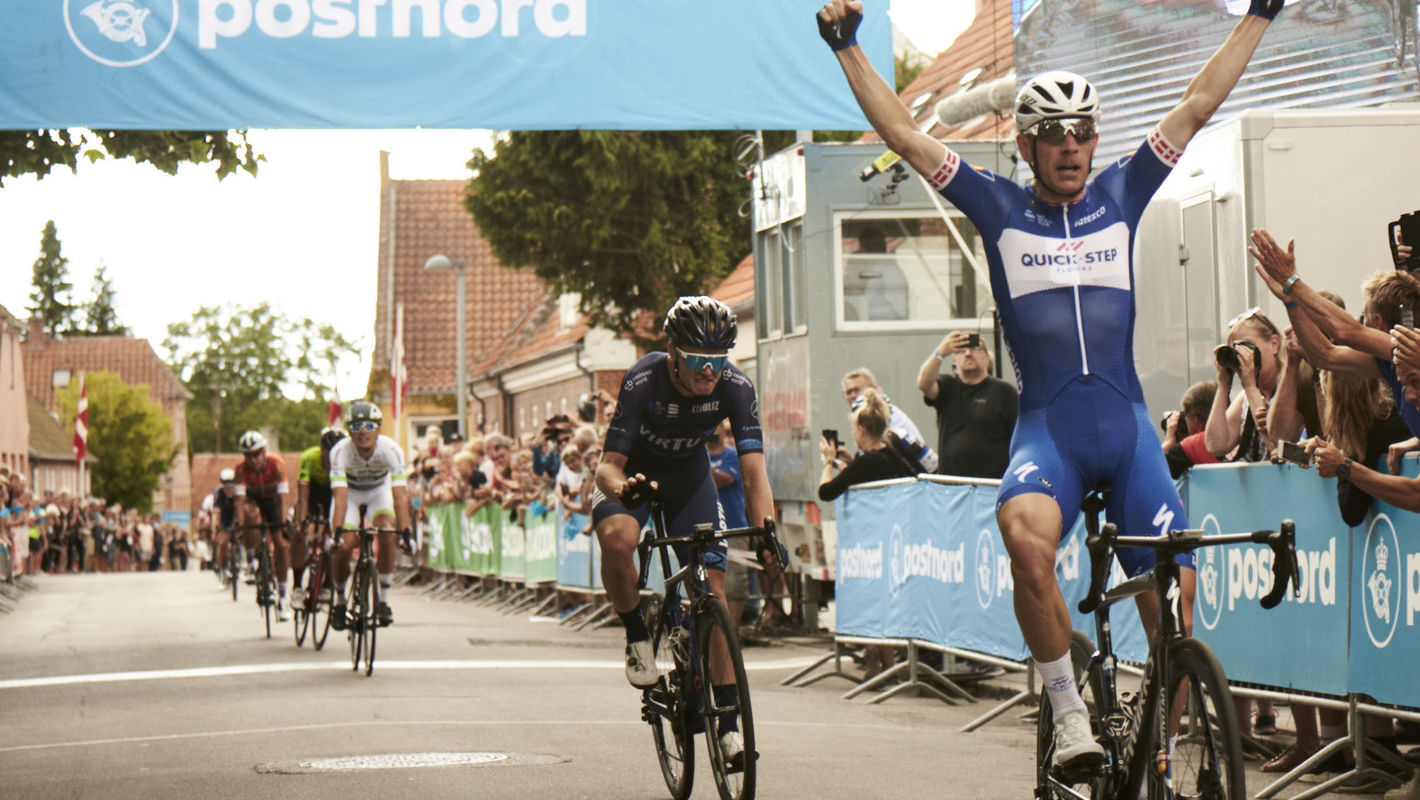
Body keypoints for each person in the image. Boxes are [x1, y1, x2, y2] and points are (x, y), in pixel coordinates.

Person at [816, 0, 1285, 773]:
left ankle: (1157, 749)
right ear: (1027, 145)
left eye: (1082, 133)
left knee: (1179, 602)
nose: (1070, 148)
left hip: (1129, 432)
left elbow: (1199, 103)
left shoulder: (1122, 194)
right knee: (1025, 542)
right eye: (1053, 136)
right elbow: (904, 134)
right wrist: (847, 46)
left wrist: (1261, 13)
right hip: (1051, 434)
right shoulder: (998, 208)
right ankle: (1068, 707)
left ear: (1096, 138)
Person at [591, 295, 775, 765]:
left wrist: (767, 531)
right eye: (696, 359)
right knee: (618, 540)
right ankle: (636, 634)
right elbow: (605, 469)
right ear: (672, 352)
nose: (707, 371)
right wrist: (624, 489)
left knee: (712, 588)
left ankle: (730, 730)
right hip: (634, 473)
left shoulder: (735, 386)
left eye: (717, 360)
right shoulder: (644, 376)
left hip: (689, 475)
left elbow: (755, 475)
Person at [818, 388, 921, 678]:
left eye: (853, 428)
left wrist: (828, 462)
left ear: (862, 429)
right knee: (885, 599)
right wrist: (849, 464)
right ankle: (886, 665)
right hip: (897, 537)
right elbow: (872, 473)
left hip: (877, 544)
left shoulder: (869, 461)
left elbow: (826, 491)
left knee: (879, 600)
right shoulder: (891, 455)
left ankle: (883, 664)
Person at [328, 401, 411, 630]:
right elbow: (340, 497)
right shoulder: (340, 452)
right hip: (351, 495)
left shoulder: (391, 450)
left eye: (368, 426)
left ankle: (383, 600)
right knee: (344, 545)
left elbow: (400, 495)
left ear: (378, 429)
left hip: (378, 492)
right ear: (349, 432)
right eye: (356, 427)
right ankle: (340, 601)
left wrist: (405, 532)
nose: (363, 432)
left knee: (386, 532)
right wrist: (337, 533)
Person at [916, 330, 1017, 479]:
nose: (968, 354)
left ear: (987, 358)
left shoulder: (1005, 393)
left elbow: (1019, 438)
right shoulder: (947, 387)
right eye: (961, 351)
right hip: (953, 487)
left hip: (991, 486)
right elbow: (924, 384)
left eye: (975, 348)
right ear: (955, 361)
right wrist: (940, 352)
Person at [232, 430, 292, 619]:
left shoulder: (276, 464)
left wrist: (282, 524)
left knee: (281, 545)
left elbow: (283, 498)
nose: (254, 459)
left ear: (264, 451)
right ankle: (252, 558)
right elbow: (239, 501)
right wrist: (241, 527)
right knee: (252, 516)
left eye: (257, 454)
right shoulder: (241, 469)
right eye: (249, 455)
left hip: (272, 499)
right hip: (253, 499)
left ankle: (282, 598)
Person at [290, 427, 346, 612]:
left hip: (334, 493)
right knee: (299, 533)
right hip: (313, 492)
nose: (333, 459)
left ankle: (328, 584)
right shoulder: (310, 457)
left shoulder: (346, 460)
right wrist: (302, 521)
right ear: (322, 450)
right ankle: (297, 586)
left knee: (335, 539)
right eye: (330, 454)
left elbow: (345, 497)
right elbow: (303, 496)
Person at [841, 367, 938, 474]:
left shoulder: (883, 416)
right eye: (849, 392)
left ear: (875, 389)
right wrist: (851, 464)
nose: (853, 396)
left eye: (857, 390)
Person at [206, 469, 239, 582]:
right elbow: (216, 512)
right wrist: (215, 529)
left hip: (236, 519)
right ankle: (223, 567)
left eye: (231, 486)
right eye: (226, 486)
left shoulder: (239, 492)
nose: (229, 489)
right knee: (222, 542)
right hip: (224, 520)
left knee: (243, 538)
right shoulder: (219, 493)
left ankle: (245, 561)